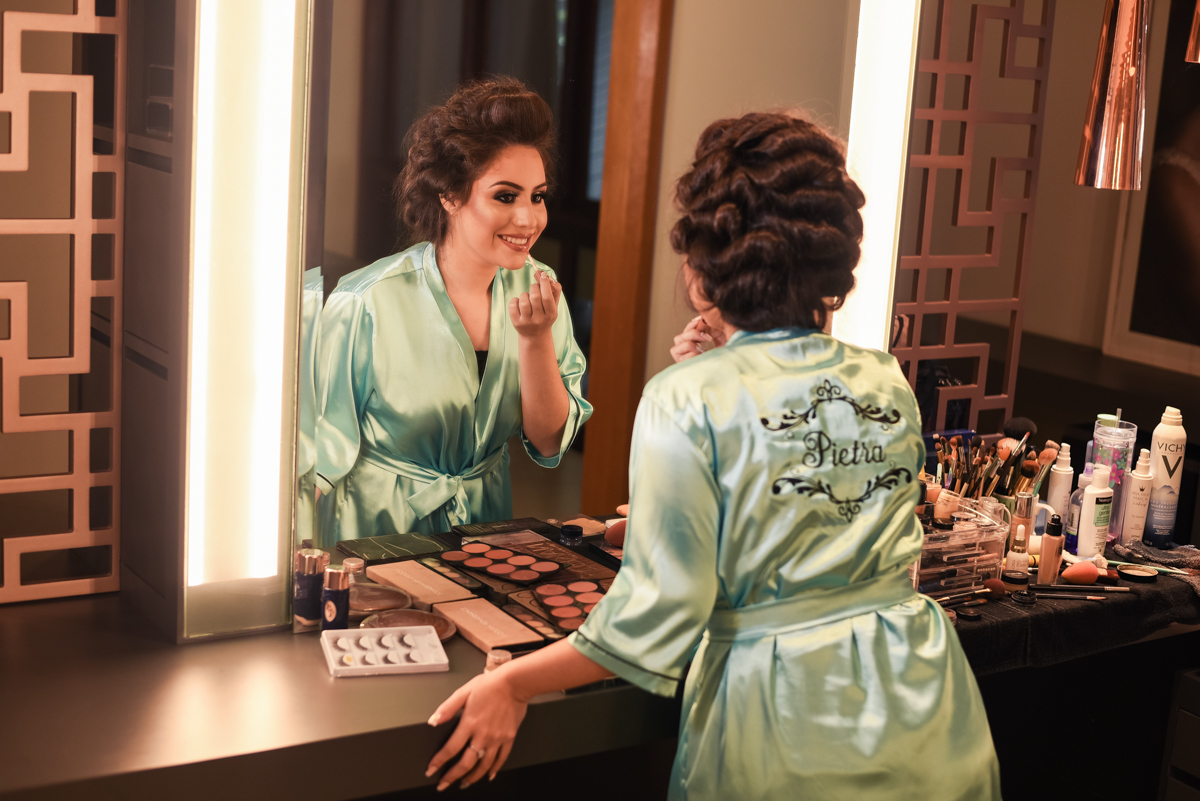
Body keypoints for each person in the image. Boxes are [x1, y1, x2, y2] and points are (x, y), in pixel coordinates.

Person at [423, 112, 1000, 799]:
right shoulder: (883, 378)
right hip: (926, 704)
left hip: (786, 723)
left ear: (703, 266)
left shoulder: (688, 396)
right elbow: (815, 517)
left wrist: (513, 683)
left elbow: (657, 617)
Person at [314, 77, 592, 544]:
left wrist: (535, 338)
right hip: (375, 537)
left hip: (483, 534)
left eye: (538, 196)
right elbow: (315, 457)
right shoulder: (366, 302)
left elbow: (549, 443)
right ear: (449, 195)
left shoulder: (542, 293)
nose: (528, 218)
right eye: (506, 196)